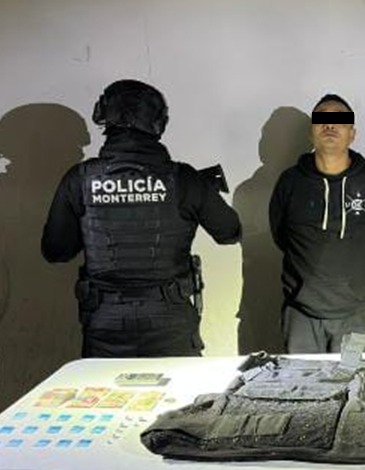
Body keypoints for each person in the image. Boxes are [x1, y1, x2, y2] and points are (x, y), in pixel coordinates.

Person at [41, 79, 241, 358]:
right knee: (179, 388)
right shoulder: (184, 179)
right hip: (169, 320)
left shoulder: (80, 179)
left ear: (104, 117)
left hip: (105, 323)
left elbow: (56, 251)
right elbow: (230, 232)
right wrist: (197, 197)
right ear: (158, 123)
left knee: (107, 388)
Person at [269, 94, 365, 353]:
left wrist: (359, 272)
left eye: (340, 120)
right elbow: (281, 234)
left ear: (352, 134)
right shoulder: (290, 182)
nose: (330, 126)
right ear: (311, 132)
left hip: (360, 315)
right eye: (322, 119)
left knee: (356, 380)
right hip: (302, 317)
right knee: (303, 380)